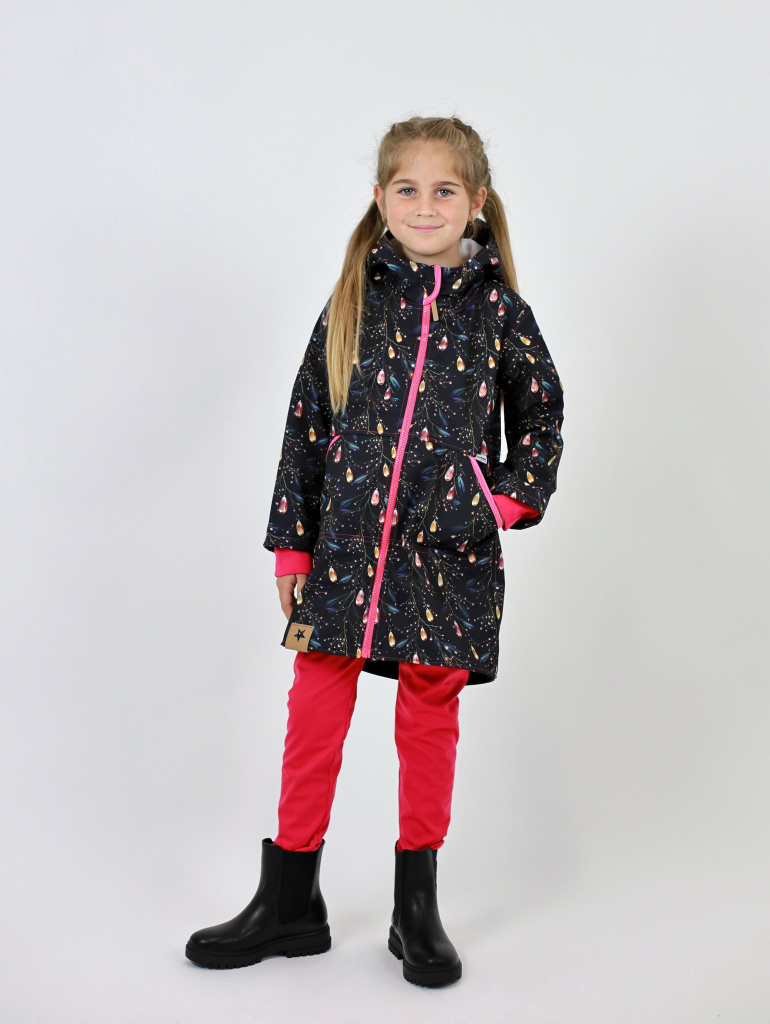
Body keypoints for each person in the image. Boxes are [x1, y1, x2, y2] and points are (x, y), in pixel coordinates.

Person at [185, 115, 564, 988]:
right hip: (347, 549)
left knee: (430, 715)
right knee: (316, 706)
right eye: (407, 189)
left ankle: (414, 908)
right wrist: (292, 548)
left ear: (476, 201)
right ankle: (290, 900)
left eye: (444, 190)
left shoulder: (500, 311)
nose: (425, 206)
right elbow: (307, 425)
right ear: (381, 198)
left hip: (448, 554)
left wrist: (500, 500)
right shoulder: (356, 298)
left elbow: (542, 413)